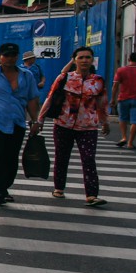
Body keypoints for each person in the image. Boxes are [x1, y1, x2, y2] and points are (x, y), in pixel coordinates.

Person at [41, 46, 110, 206]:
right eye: (81, 57)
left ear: (92, 60)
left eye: (88, 57)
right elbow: (50, 98)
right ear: (75, 60)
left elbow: (102, 102)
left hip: (88, 127)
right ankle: (59, 188)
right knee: (61, 157)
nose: (85, 60)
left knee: (88, 159)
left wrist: (104, 121)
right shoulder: (64, 78)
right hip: (63, 124)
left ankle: (91, 195)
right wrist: (40, 119)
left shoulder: (98, 81)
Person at [0, 42, 42, 206]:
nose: (10, 58)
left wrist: (35, 120)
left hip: (17, 122)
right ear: (0, 57)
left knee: (11, 158)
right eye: (6, 55)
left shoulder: (27, 76)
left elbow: (32, 100)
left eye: (13, 55)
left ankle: (4, 187)